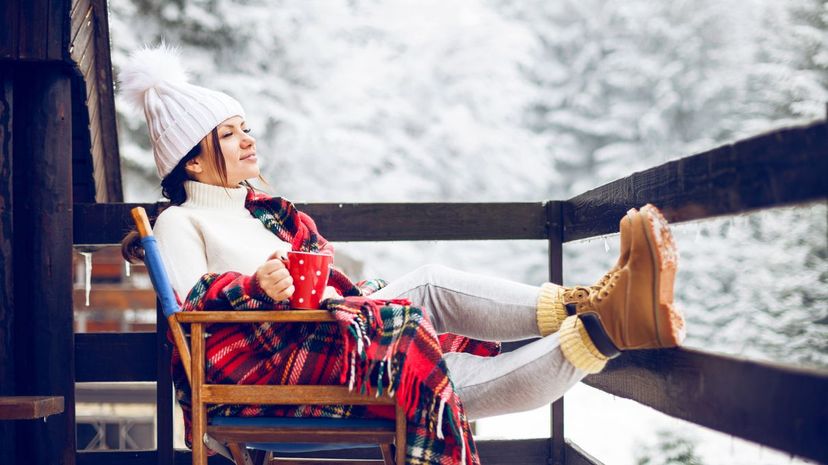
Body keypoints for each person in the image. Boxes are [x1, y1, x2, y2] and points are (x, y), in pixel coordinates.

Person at [120, 45, 685, 463]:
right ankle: (597, 313)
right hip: (272, 365)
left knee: (436, 355)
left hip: (321, 338)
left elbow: (315, 277)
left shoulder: (261, 213)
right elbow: (188, 307)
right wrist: (254, 288)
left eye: (245, 127)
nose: (248, 140)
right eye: (227, 135)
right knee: (430, 308)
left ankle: (603, 316)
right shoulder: (179, 221)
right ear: (192, 162)